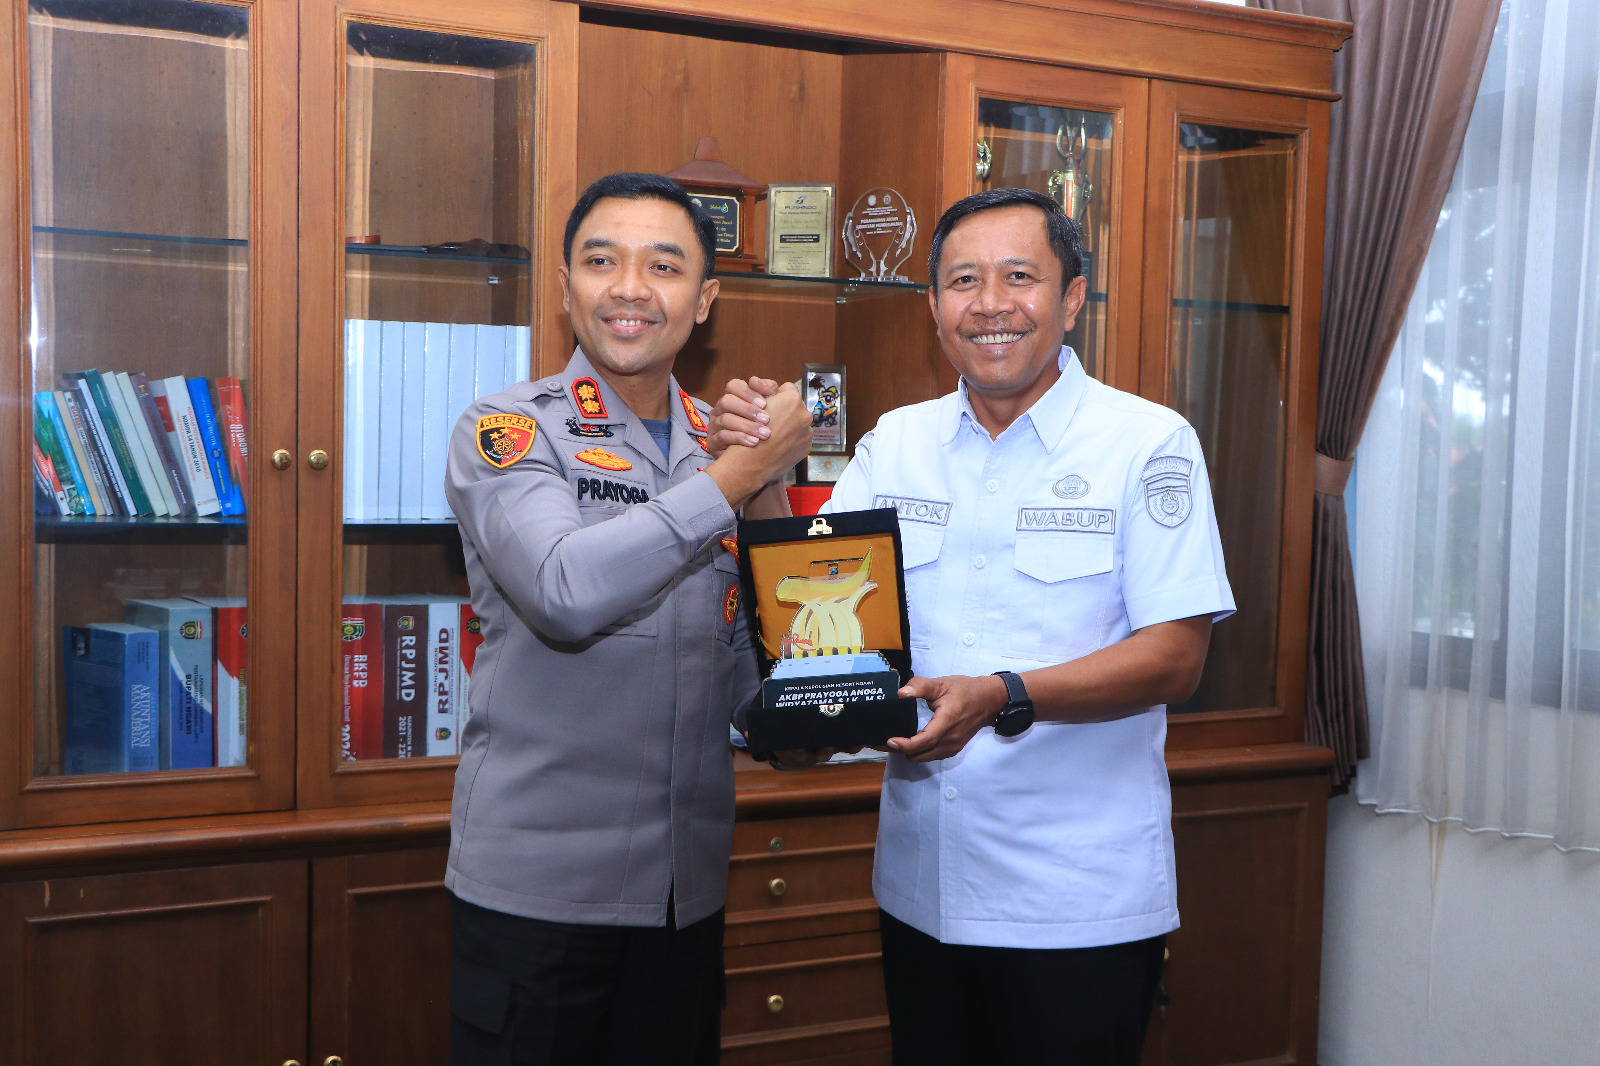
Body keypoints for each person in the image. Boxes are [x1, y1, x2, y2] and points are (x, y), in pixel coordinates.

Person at [710, 187, 1235, 1066]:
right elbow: (814, 604)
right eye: (963, 281)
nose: (991, 304)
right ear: (934, 307)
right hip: (923, 892)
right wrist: (761, 470)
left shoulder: (1147, 443)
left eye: (1019, 277)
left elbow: (1176, 658)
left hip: (1077, 904)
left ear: (1072, 298)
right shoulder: (896, 442)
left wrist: (1002, 694)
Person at [443, 171, 811, 1066]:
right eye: (602, 262)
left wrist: (766, 489)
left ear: (705, 301)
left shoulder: (721, 441)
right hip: (538, 897)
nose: (630, 289)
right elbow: (564, 593)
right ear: (566, 287)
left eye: (664, 266)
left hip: (683, 898)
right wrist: (736, 476)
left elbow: (768, 677)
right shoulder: (509, 430)